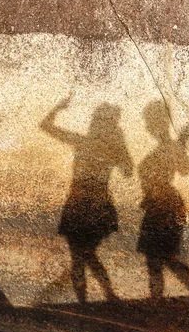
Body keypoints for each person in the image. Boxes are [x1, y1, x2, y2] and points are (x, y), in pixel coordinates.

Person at [40, 94, 133, 303]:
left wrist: (58, 108)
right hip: (91, 203)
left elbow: (128, 170)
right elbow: (128, 170)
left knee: (82, 254)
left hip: (85, 203)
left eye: (99, 120)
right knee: (82, 254)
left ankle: (95, 298)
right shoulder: (98, 145)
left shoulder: (86, 143)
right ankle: (101, 296)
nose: (95, 124)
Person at [137, 100, 189, 298]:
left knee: (163, 256)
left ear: (159, 122)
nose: (146, 125)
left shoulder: (170, 147)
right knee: (156, 258)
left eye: (149, 120)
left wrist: (180, 145)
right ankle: (159, 298)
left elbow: (184, 170)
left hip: (166, 206)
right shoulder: (168, 146)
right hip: (159, 206)